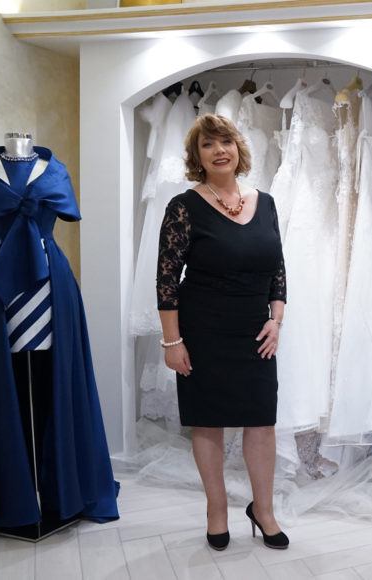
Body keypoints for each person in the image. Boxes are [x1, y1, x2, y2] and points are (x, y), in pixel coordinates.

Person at [157, 114, 289, 551]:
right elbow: (166, 280)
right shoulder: (183, 206)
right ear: (197, 156)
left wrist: (275, 319)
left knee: (262, 421)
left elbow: (277, 267)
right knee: (208, 420)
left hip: (254, 331)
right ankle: (216, 510)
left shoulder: (265, 203)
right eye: (208, 144)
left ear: (238, 148)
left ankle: (263, 510)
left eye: (225, 141)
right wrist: (172, 341)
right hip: (203, 330)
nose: (219, 151)